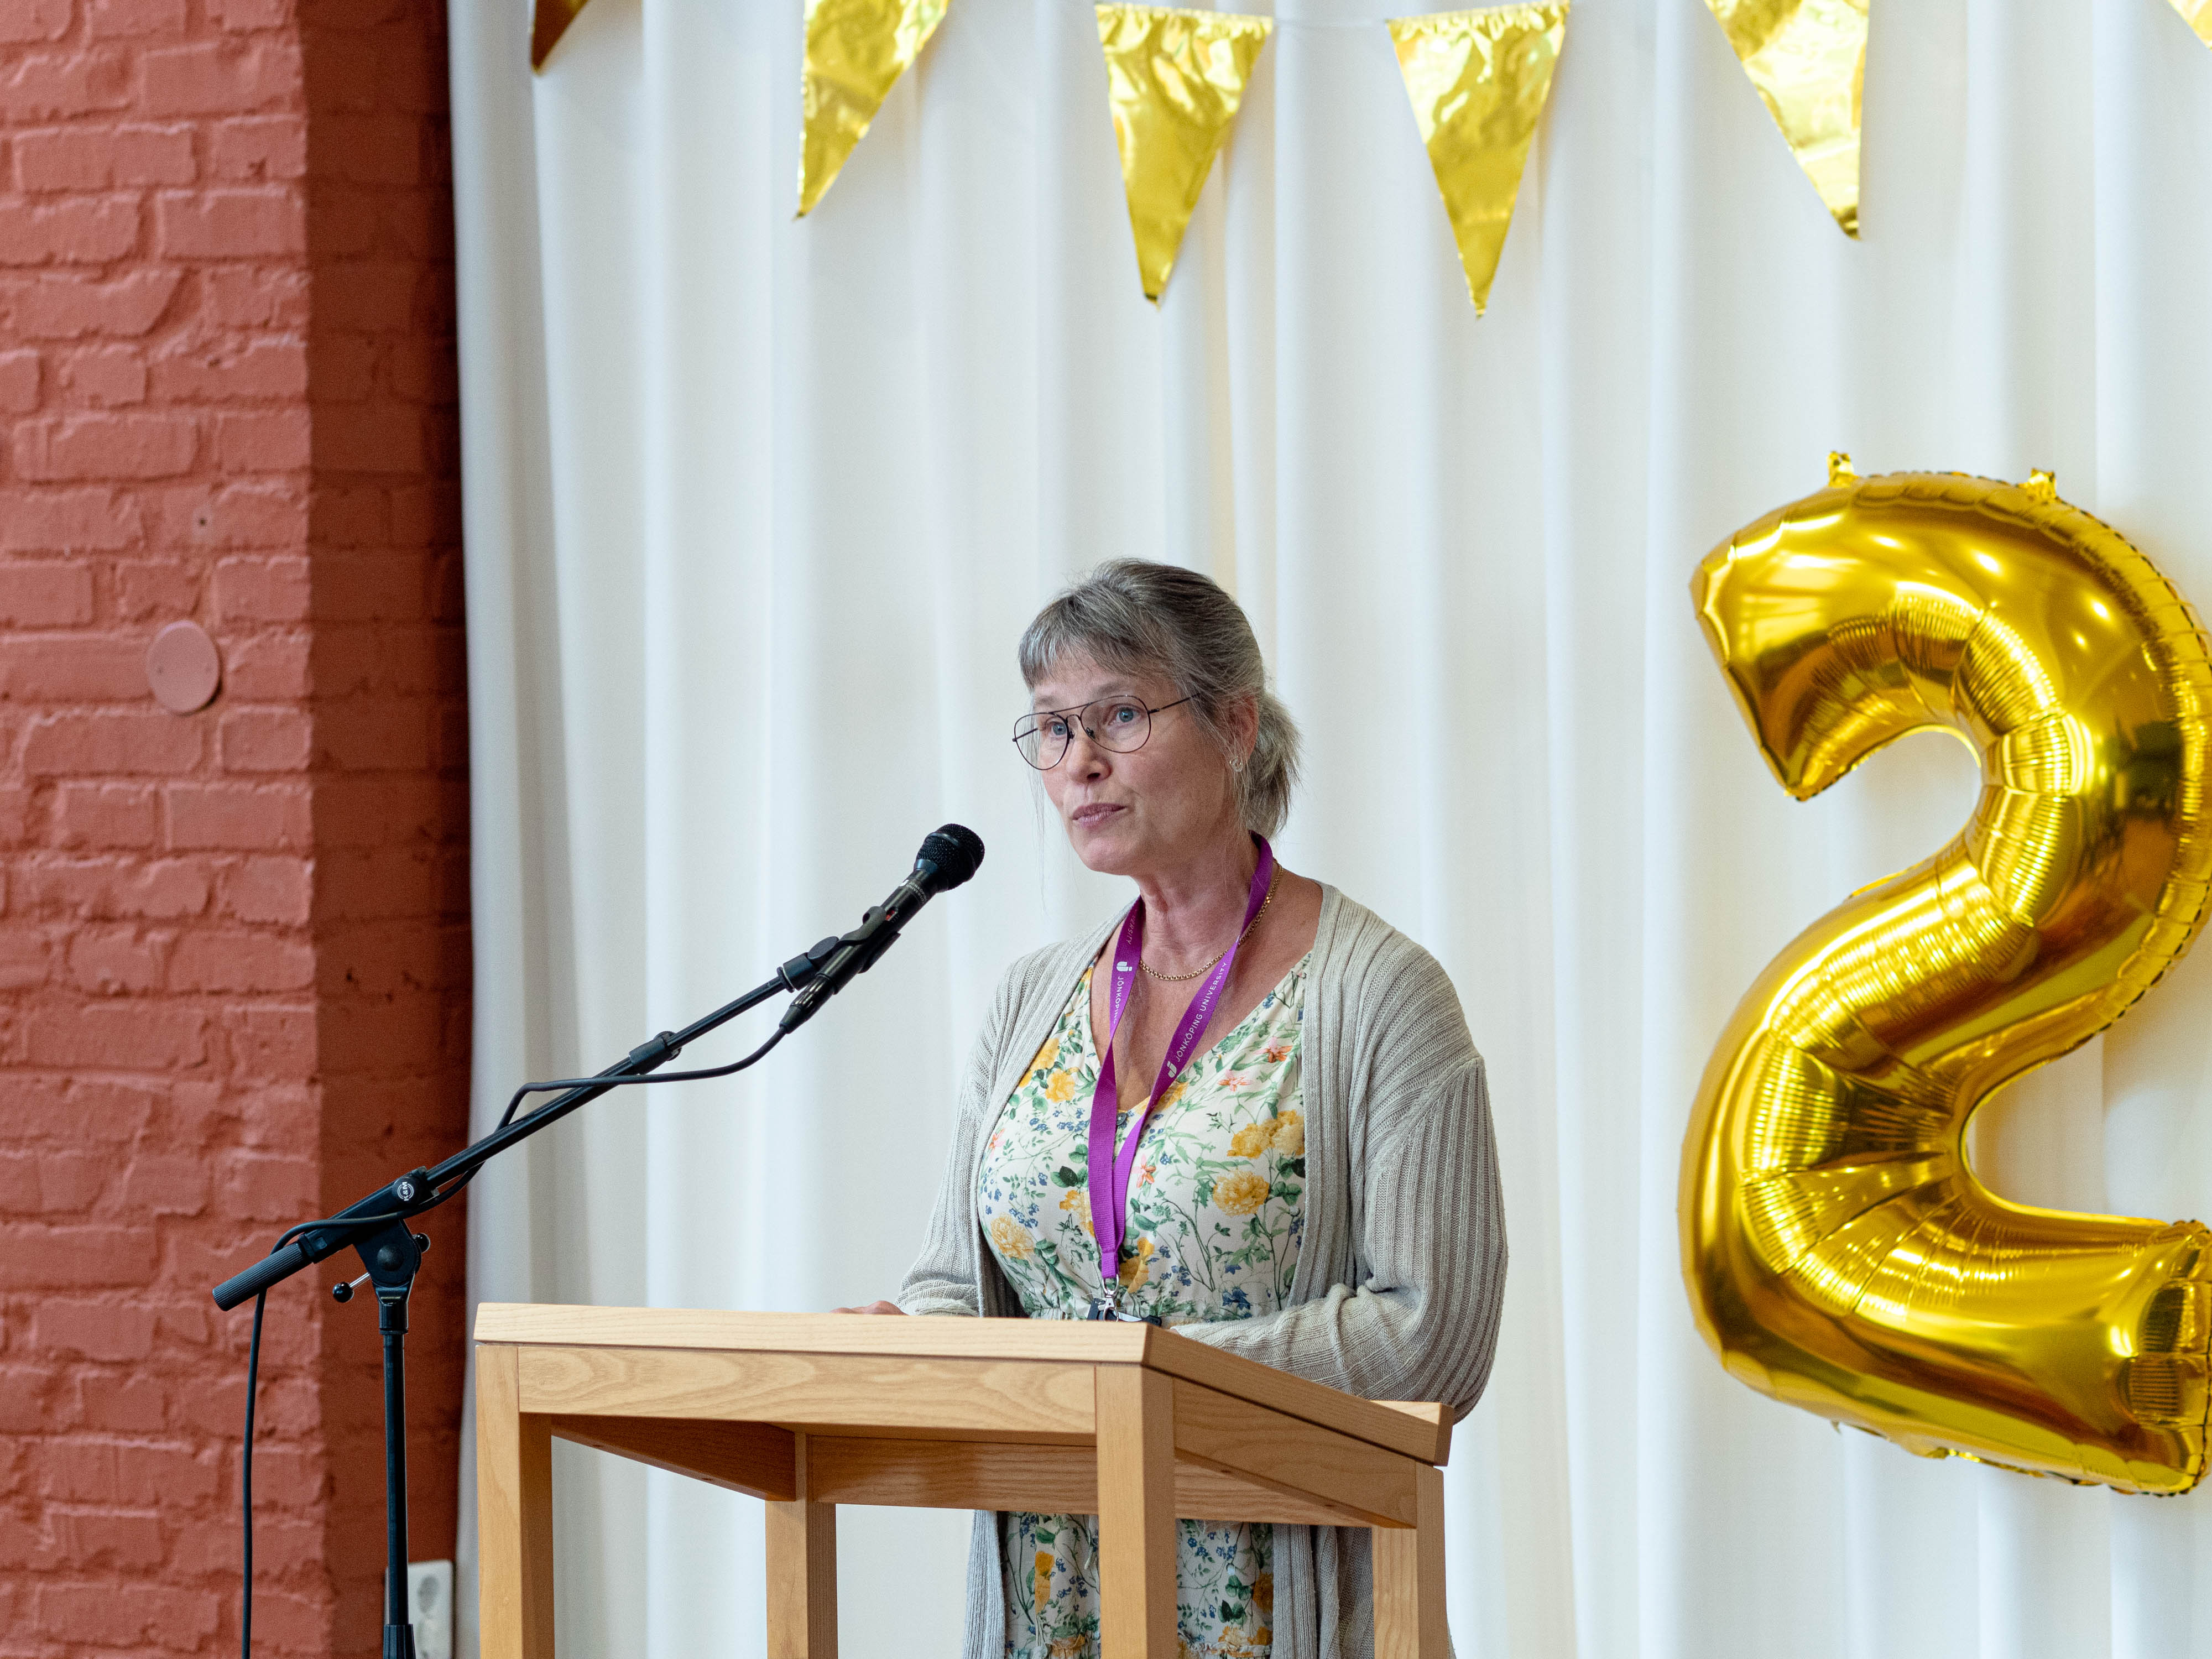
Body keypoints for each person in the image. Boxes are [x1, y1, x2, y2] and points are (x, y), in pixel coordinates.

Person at [837, 560, 1506, 1659]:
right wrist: (908, 1340)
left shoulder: (1379, 994)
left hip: (1281, 1612)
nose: (1078, 763)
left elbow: (1430, 1338)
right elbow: (955, 1285)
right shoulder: (1028, 1002)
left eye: (1118, 715)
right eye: (1053, 728)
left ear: (1235, 726)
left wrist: (1148, 1376)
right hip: (1050, 1605)